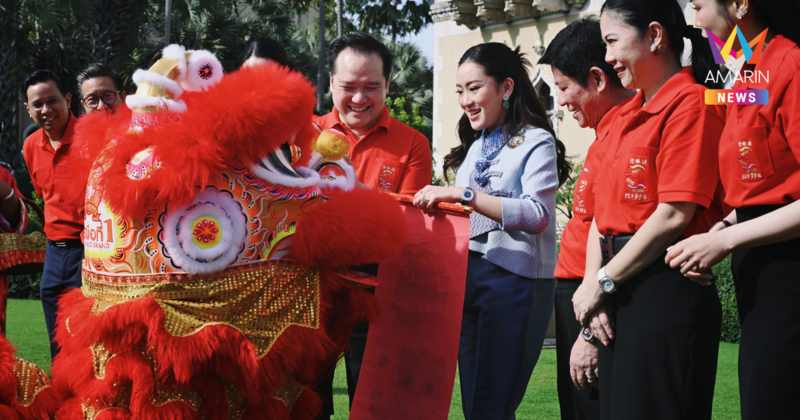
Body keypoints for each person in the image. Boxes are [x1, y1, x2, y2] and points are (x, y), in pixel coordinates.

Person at [569, 1, 729, 419]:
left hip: (664, 284)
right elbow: (599, 221)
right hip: (620, 283)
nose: (606, 56)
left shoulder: (693, 102)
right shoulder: (626, 116)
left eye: (612, 41)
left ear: (655, 36)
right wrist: (595, 289)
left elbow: (675, 212)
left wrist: (601, 282)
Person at [413, 42, 569, 420]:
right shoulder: (475, 147)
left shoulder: (537, 141)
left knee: (491, 404)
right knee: (477, 406)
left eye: (475, 87)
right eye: (460, 91)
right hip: (469, 279)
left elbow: (537, 215)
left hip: (516, 281)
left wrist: (464, 195)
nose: (466, 100)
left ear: (506, 88)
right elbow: (468, 213)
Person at [665, 1, 800, 418]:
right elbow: (757, 186)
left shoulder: (789, 65)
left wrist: (725, 237)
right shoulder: (745, 72)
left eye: (700, 5)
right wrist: (720, 228)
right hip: (757, 264)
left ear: (740, 4)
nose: (694, 17)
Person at [312, 33, 432, 417]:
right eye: (348, 87)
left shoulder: (412, 143)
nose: (359, 99)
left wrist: (350, 188)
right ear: (330, 83)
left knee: (373, 400)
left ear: (388, 86)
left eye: (371, 87)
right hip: (310, 280)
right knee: (306, 399)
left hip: (377, 285)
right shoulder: (306, 135)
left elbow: (409, 221)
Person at [538, 16, 634, 420]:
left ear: (596, 78)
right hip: (578, 293)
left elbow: (615, 232)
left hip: (592, 296)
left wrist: (590, 331)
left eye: (563, 87)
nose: (559, 101)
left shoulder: (628, 131)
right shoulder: (604, 135)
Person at [22, 69, 84, 360]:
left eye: (52, 101)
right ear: (28, 109)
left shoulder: (90, 138)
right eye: (37, 104)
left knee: (88, 340)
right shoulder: (30, 145)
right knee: (56, 343)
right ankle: (62, 402)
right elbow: (44, 195)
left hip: (90, 250)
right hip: (53, 253)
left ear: (68, 99)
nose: (45, 110)